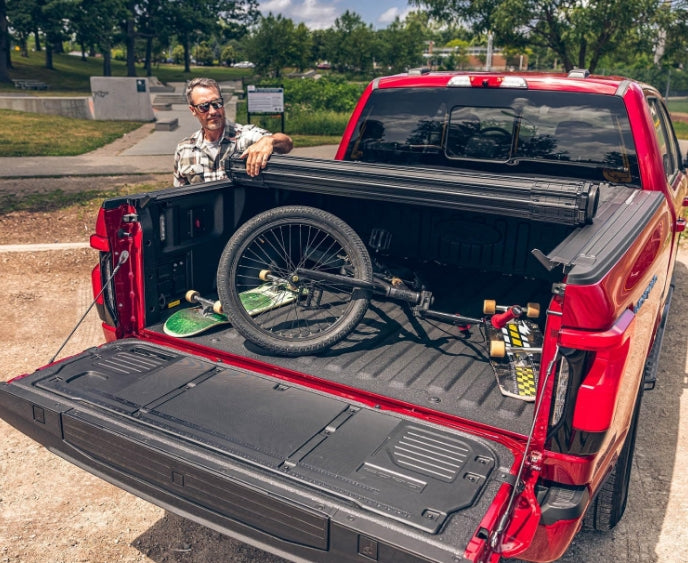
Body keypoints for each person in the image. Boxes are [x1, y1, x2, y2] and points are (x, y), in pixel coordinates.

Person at [173, 77, 293, 186]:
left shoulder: (245, 137)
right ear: (193, 110)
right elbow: (178, 197)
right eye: (204, 106)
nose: (213, 111)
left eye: (217, 103)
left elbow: (287, 143)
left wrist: (269, 141)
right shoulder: (184, 149)